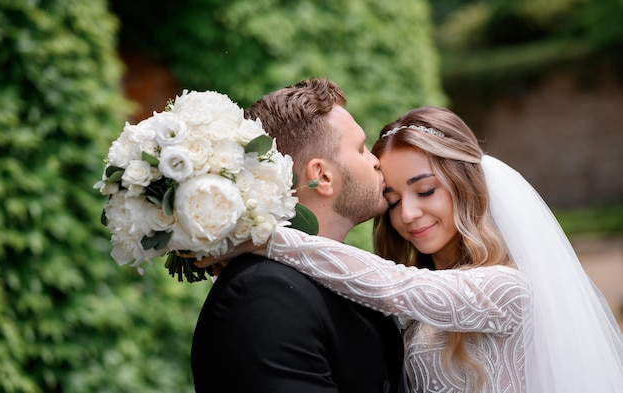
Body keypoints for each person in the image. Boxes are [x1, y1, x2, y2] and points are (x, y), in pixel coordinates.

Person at [214, 106, 623, 392]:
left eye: (425, 190)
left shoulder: (507, 289)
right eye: (392, 199)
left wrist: (261, 233)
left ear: (465, 187)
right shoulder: (411, 302)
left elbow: (395, 285)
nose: (408, 214)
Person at [190, 78, 407, 393]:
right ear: (321, 176)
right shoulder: (263, 294)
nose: (376, 161)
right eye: (361, 149)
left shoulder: (346, 270)